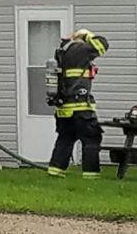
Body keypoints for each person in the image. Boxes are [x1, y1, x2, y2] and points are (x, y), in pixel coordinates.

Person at [46, 28, 108, 179]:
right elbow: (103, 44)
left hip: (64, 107)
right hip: (80, 106)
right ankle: (91, 174)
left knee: (65, 138)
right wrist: (88, 35)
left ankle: (56, 170)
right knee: (92, 138)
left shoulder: (63, 52)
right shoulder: (80, 50)